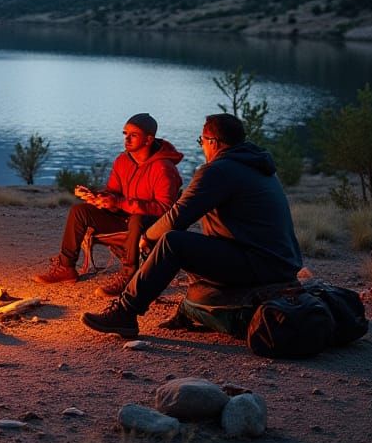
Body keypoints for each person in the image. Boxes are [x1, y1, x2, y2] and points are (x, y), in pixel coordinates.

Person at [82, 112, 304, 338]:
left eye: (201, 141)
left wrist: (147, 237)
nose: (202, 148)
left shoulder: (220, 170)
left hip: (260, 264)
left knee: (173, 242)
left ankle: (124, 312)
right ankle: (193, 310)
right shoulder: (256, 166)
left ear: (213, 142)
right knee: (191, 241)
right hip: (278, 262)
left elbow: (177, 215)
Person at [34, 113, 183, 296]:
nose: (126, 139)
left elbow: (165, 209)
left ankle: (129, 276)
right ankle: (66, 268)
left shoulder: (163, 168)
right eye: (125, 133)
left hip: (150, 225)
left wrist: (120, 203)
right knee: (79, 211)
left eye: (133, 135)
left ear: (148, 139)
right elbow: (114, 192)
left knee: (136, 219)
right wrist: (101, 198)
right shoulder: (122, 161)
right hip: (123, 219)